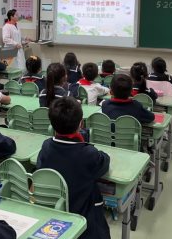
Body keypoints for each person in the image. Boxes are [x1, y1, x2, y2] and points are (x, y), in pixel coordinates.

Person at [37, 97, 111, 239]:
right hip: (83, 219)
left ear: (52, 123)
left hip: (52, 216)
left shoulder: (46, 146)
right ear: (81, 123)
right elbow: (104, 162)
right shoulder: (88, 153)